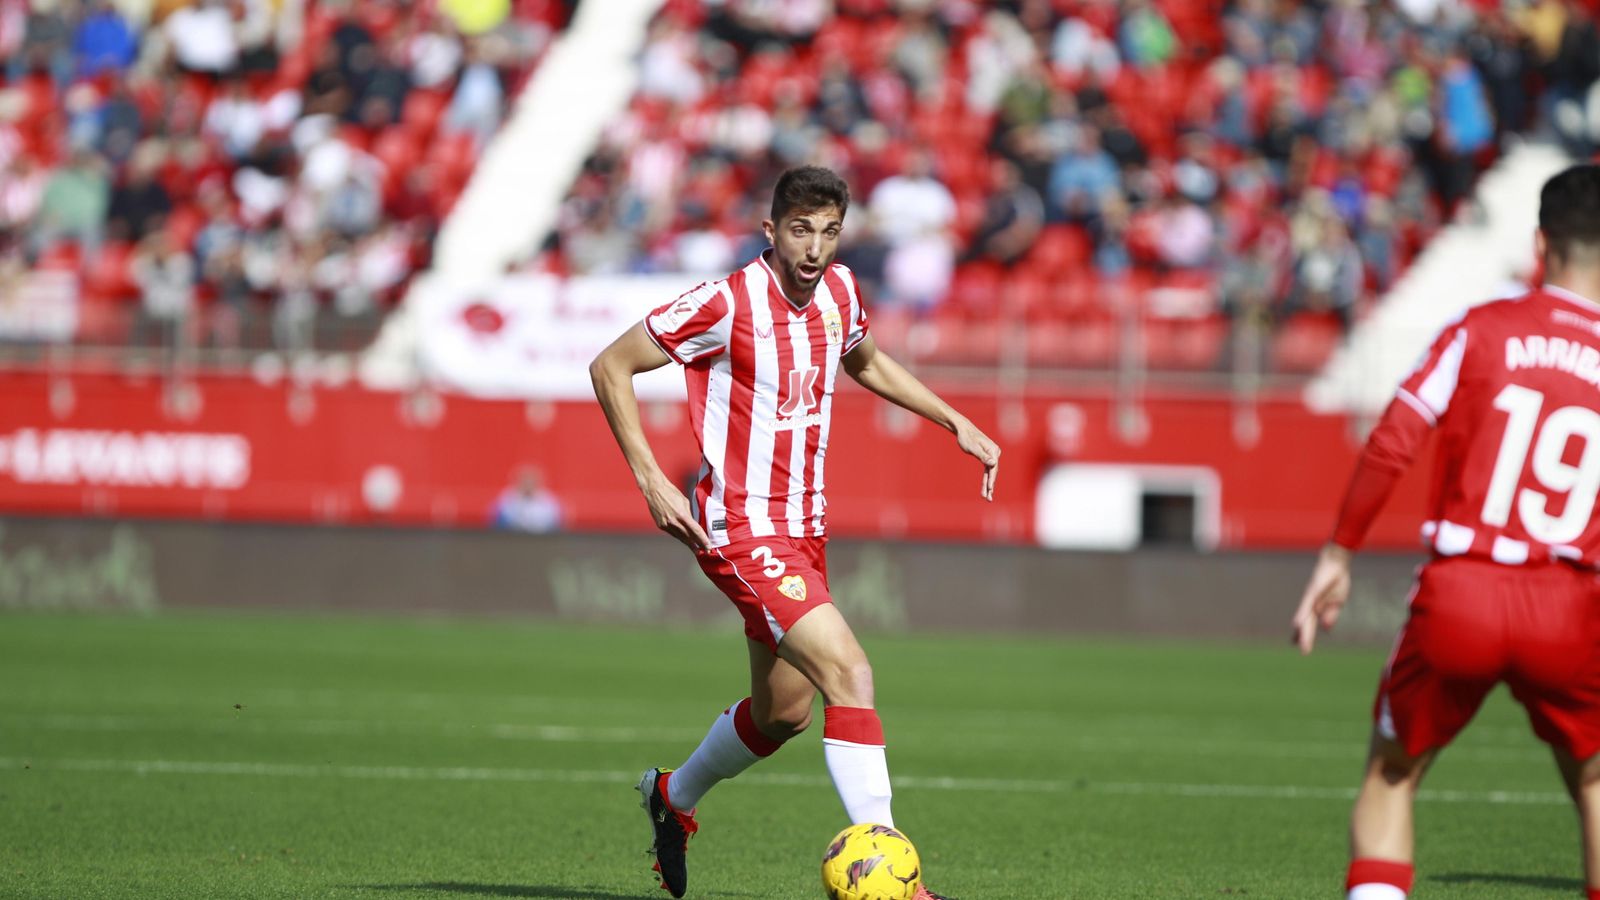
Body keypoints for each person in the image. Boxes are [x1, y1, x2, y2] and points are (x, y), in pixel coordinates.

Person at [589, 166, 999, 900]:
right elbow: (611, 365)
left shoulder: (841, 292)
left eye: (830, 232)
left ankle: (671, 798)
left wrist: (953, 420)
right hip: (741, 529)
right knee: (851, 672)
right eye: (801, 231)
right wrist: (651, 479)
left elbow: (863, 357)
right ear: (771, 230)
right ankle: (900, 881)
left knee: (784, 714)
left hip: (805, 529)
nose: (815, 249)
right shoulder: (726, 301)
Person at [1292, 163, 1600, 900]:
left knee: (1392, 775)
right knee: (1594, 776)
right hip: (1573, 600)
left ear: (1539, 242)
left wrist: (1339, 554)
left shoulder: (1482, 328)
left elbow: (1395, 436)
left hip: (1464, 587)